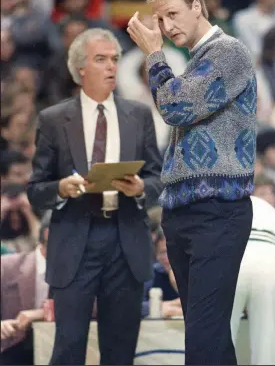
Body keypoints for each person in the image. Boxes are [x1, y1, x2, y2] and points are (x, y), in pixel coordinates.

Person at [127, 0, 257, 365]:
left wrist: (153, 54)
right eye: (160, 19)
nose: (166, 27)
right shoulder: (197, 63)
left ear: (197, 5)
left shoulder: (229, 53)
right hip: (184, 212)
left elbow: (175, 107)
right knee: (210, 338)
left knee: (202, 338)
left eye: (172, 14)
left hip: (218, 212)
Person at [27, 28, 163, 365]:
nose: (111, 67)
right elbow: (35, 192)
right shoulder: (54, 119)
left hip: (126, 239)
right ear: (80, 69)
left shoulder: (140, 115)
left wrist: (142, 188)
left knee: (120, 353)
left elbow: (158, 178)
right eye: (100, 59)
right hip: (75, 240)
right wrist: (60, 188)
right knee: (69, 349)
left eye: (115, 59)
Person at [231, 195, 275, 365]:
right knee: (267, 347)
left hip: (232, 258)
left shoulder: (225, 202)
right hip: (270, 260)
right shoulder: (270, 210)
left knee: (221, 340)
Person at [0, 211, 51, 365]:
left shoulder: (81, 271)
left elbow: (95, 307)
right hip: (12, 350)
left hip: (59, 349)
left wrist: (41, 313)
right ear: (49, 235)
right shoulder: (6, 267)